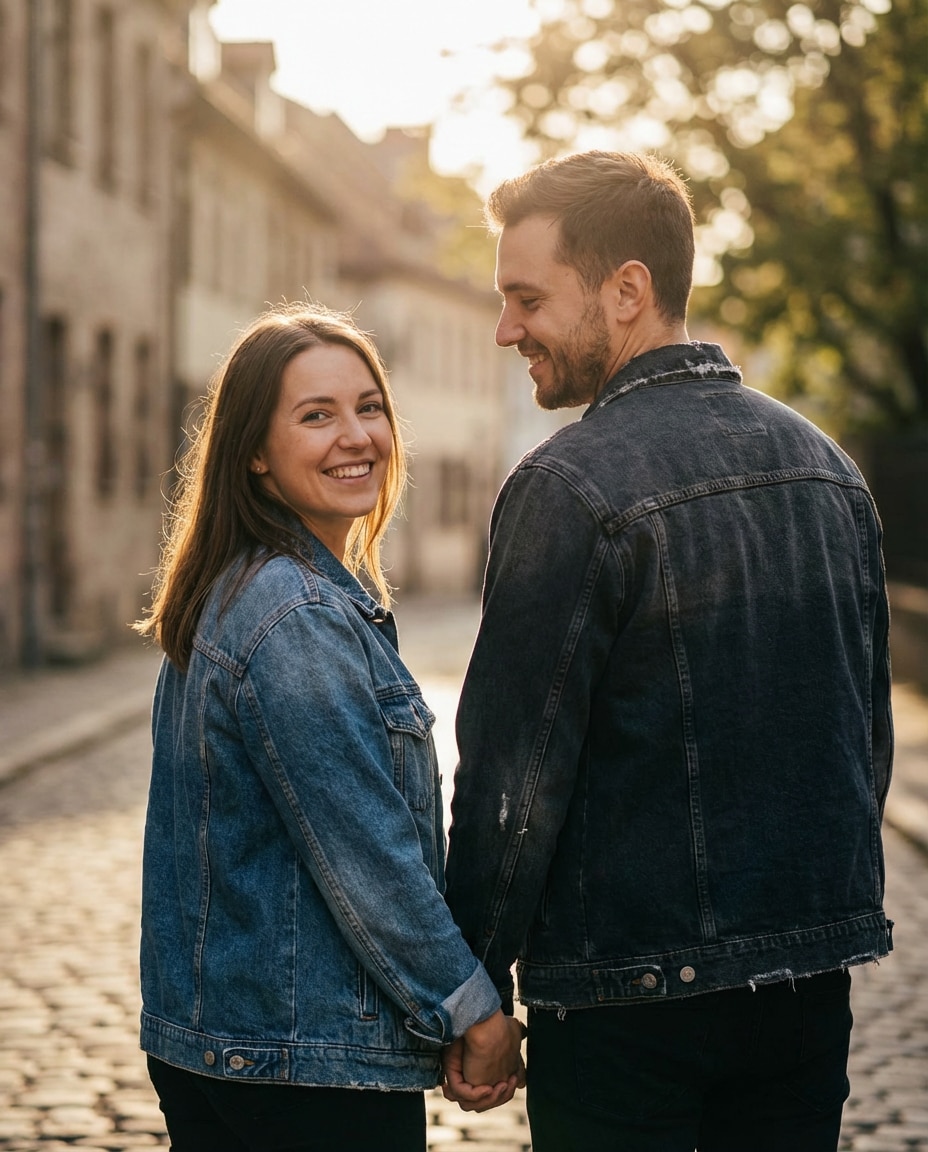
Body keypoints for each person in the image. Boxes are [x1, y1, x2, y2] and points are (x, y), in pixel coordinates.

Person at [441, 152, 894, 1150]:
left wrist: (472, 986)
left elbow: (515, 779)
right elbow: (865, 741)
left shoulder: (566, 487)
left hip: (624, 1006)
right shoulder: (831, 472)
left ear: (627, 291)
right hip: (804, 996)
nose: (507, 329)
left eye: (527, 299)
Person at [134, 304, 524, 1152]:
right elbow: (366, 855)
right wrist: (471, 1009)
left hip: (229, 1050)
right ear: (255, 453)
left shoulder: (237, 590)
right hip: (304, 1068)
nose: (357, 436)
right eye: (317, 415)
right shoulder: (294, 615)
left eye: (368, 407)